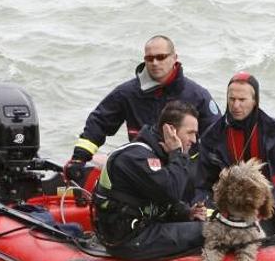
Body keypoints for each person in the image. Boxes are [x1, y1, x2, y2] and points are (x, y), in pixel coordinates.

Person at [64, 35, 220, 183]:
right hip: (142, 170)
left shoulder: (197, 96)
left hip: (183, 171)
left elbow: (217, 138)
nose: (155, 63)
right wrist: (79, 158)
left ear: (174, 58)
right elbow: (99, 123)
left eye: (161, 57)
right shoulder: (127, 93)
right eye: (149, 58)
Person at [197, 72, 275, 234]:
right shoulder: (212, 137)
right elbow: (202, 185)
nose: (235, 105)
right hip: (227, 210)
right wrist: (210, 213)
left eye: (242, 100)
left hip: (272, 208)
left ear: (255, 101)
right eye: (232, 99)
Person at [92, 101, 207, 261]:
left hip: (142, 229)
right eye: (190, 133)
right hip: (130, 239)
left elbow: (158, 199)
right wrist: (177, 153)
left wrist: (187, 213)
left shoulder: (156, 154)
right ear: (170, 131)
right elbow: (171, 192)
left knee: (204, 226)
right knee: (211, 232)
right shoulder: (136, 157)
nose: (194, 140)